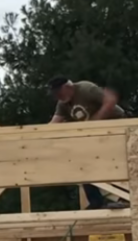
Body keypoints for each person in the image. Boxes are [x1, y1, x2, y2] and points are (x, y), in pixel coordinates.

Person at [47, 77, 129, 210]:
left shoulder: (86, 89)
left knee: (115, 163)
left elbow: (110, 102)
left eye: (58, 93)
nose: (57, 97)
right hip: (95, 134)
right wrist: (34, 135)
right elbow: (53, 124)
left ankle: (124, 197)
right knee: (82, 162)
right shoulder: (62, 104)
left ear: (67, 87)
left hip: (116, 125)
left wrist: (94, 122)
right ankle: (96, 201)